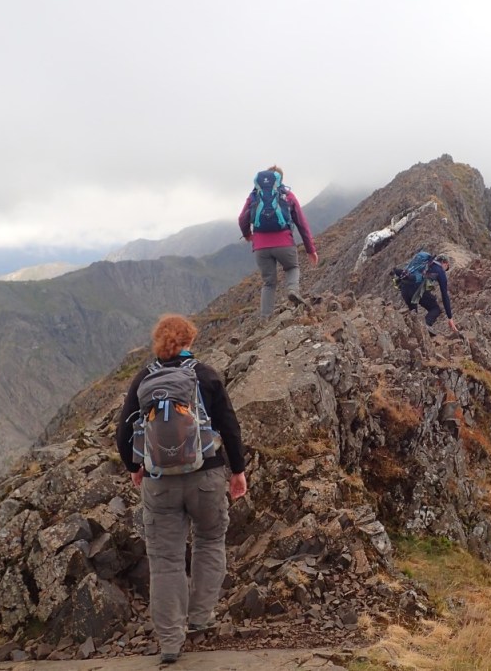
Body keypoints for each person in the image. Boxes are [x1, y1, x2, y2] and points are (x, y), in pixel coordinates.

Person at [115, 314, 248, 665]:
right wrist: (238, 470)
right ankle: (201, 617)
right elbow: (229, 426)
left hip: (159, 484)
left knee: (165, 560)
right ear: (190, 339)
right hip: (206, 476)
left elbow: (122, 432)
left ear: (159, 343)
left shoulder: (144, 379)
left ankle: (171, 642)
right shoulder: (205, 375)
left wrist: (134, 467)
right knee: (208, 541)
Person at [237, 165, 319, 316]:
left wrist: (248, 234)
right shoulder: (287, 195)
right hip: (284, 244)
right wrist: (310, 249)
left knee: (268, 283)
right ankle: (293, 290)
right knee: (292, 268)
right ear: (280, 179)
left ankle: (265, 318)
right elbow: (302, 224)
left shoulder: (254, 196)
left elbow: (242, 218)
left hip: (261, 247)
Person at [399, 253, 459, 335]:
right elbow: (445, 295)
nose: (445, 270)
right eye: (446, 268)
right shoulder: (440, 271)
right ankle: (426, 325)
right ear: (445, 263)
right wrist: (450, 318)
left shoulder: (426, 263)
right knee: (435, 308)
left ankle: (413, 334)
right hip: (416, 290)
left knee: (414, 315)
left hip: (404, 288)